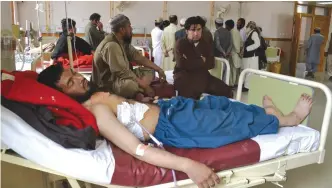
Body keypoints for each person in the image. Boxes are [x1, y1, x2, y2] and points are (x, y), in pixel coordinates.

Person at [37, 63, 313, 188]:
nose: (79, 80)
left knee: (223, 103)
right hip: (175, 126)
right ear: (61, 94)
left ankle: (269, 114)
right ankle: (287, 120)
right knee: (230, 121)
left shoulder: (93, 93)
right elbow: (137, 150)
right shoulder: (96, 110)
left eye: (74, 74)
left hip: (170, 109)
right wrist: (188, 165)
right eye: (70, 83)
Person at [92, 14, 166, 101]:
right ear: (122, 30)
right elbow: (123, 72)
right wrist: (145, 86)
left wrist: (158, 69)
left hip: (120, 77)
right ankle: (137, 92)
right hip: (108, 83)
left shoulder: (121, 41)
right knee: (130, 86)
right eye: (129, 26)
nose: (131, 29)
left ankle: (137, 92)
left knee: (149, 70)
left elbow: (138, 57)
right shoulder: (111, 45)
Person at [174, 16, 233, 100]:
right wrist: (201, 60)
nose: (196, 33)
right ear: (187, 31)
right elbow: (181, 64)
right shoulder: (181, 43)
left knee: (226, 90)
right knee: (188, 94)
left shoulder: (205, 44)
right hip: (184, 75)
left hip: (202, 75)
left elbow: (210, 64)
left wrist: (191, 61)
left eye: (199, 29)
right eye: (193, 30)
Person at [242, 21, 261, 91]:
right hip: (249, 56)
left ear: (250, 27)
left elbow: (257, 44)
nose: (246, 28)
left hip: (252, 56)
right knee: (248, 71)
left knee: (250, 71)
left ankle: (247, 87)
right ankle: (246, 85)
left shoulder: (254, 33)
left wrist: (247, 48)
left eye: (247, 26)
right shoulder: (250, 33)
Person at [225, 19, 242, 87]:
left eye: (226, 26)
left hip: (234, 53)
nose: (225, 27)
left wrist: (238, 52)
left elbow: (234, 43)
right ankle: (236, 83)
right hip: (237, 53)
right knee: (237, 70)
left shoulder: (231, 32)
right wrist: (240, 51)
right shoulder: (237, 31)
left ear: (228, 26)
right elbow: (241, 42)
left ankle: (232, 84)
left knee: (233, 70)